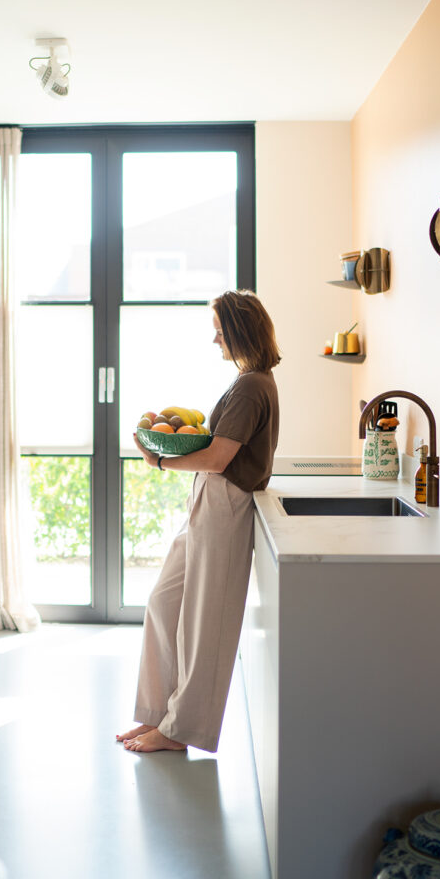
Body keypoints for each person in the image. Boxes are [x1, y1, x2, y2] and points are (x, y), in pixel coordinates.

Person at [117, 289, 280, 753]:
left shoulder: (252, 386)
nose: (215, 340)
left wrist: (160, 463)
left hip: (226, 505)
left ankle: (180, 730)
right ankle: (156, 716)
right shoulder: (249, 380)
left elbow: (218, 457)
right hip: (209, 502)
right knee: (164, 603)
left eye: (220, 330)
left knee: (205, 625)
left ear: (239, 330)